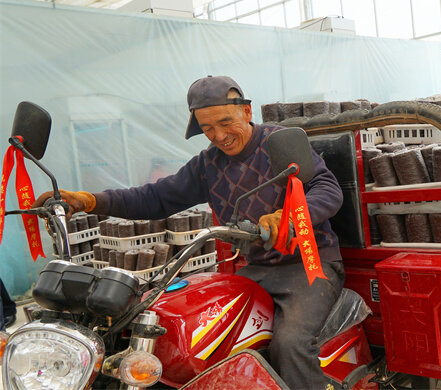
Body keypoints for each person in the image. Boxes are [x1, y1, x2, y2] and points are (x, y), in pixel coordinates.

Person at [33, 75, 345, 389]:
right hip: (256, 268)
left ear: (247, 111)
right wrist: (89, 201)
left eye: (225, 122)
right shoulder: (208, 164)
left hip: (309, 265)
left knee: (290, 344)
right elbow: (155, 197)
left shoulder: (279, 143)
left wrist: (288, 218)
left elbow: (328, 188)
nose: (219, 136)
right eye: (207, 128)